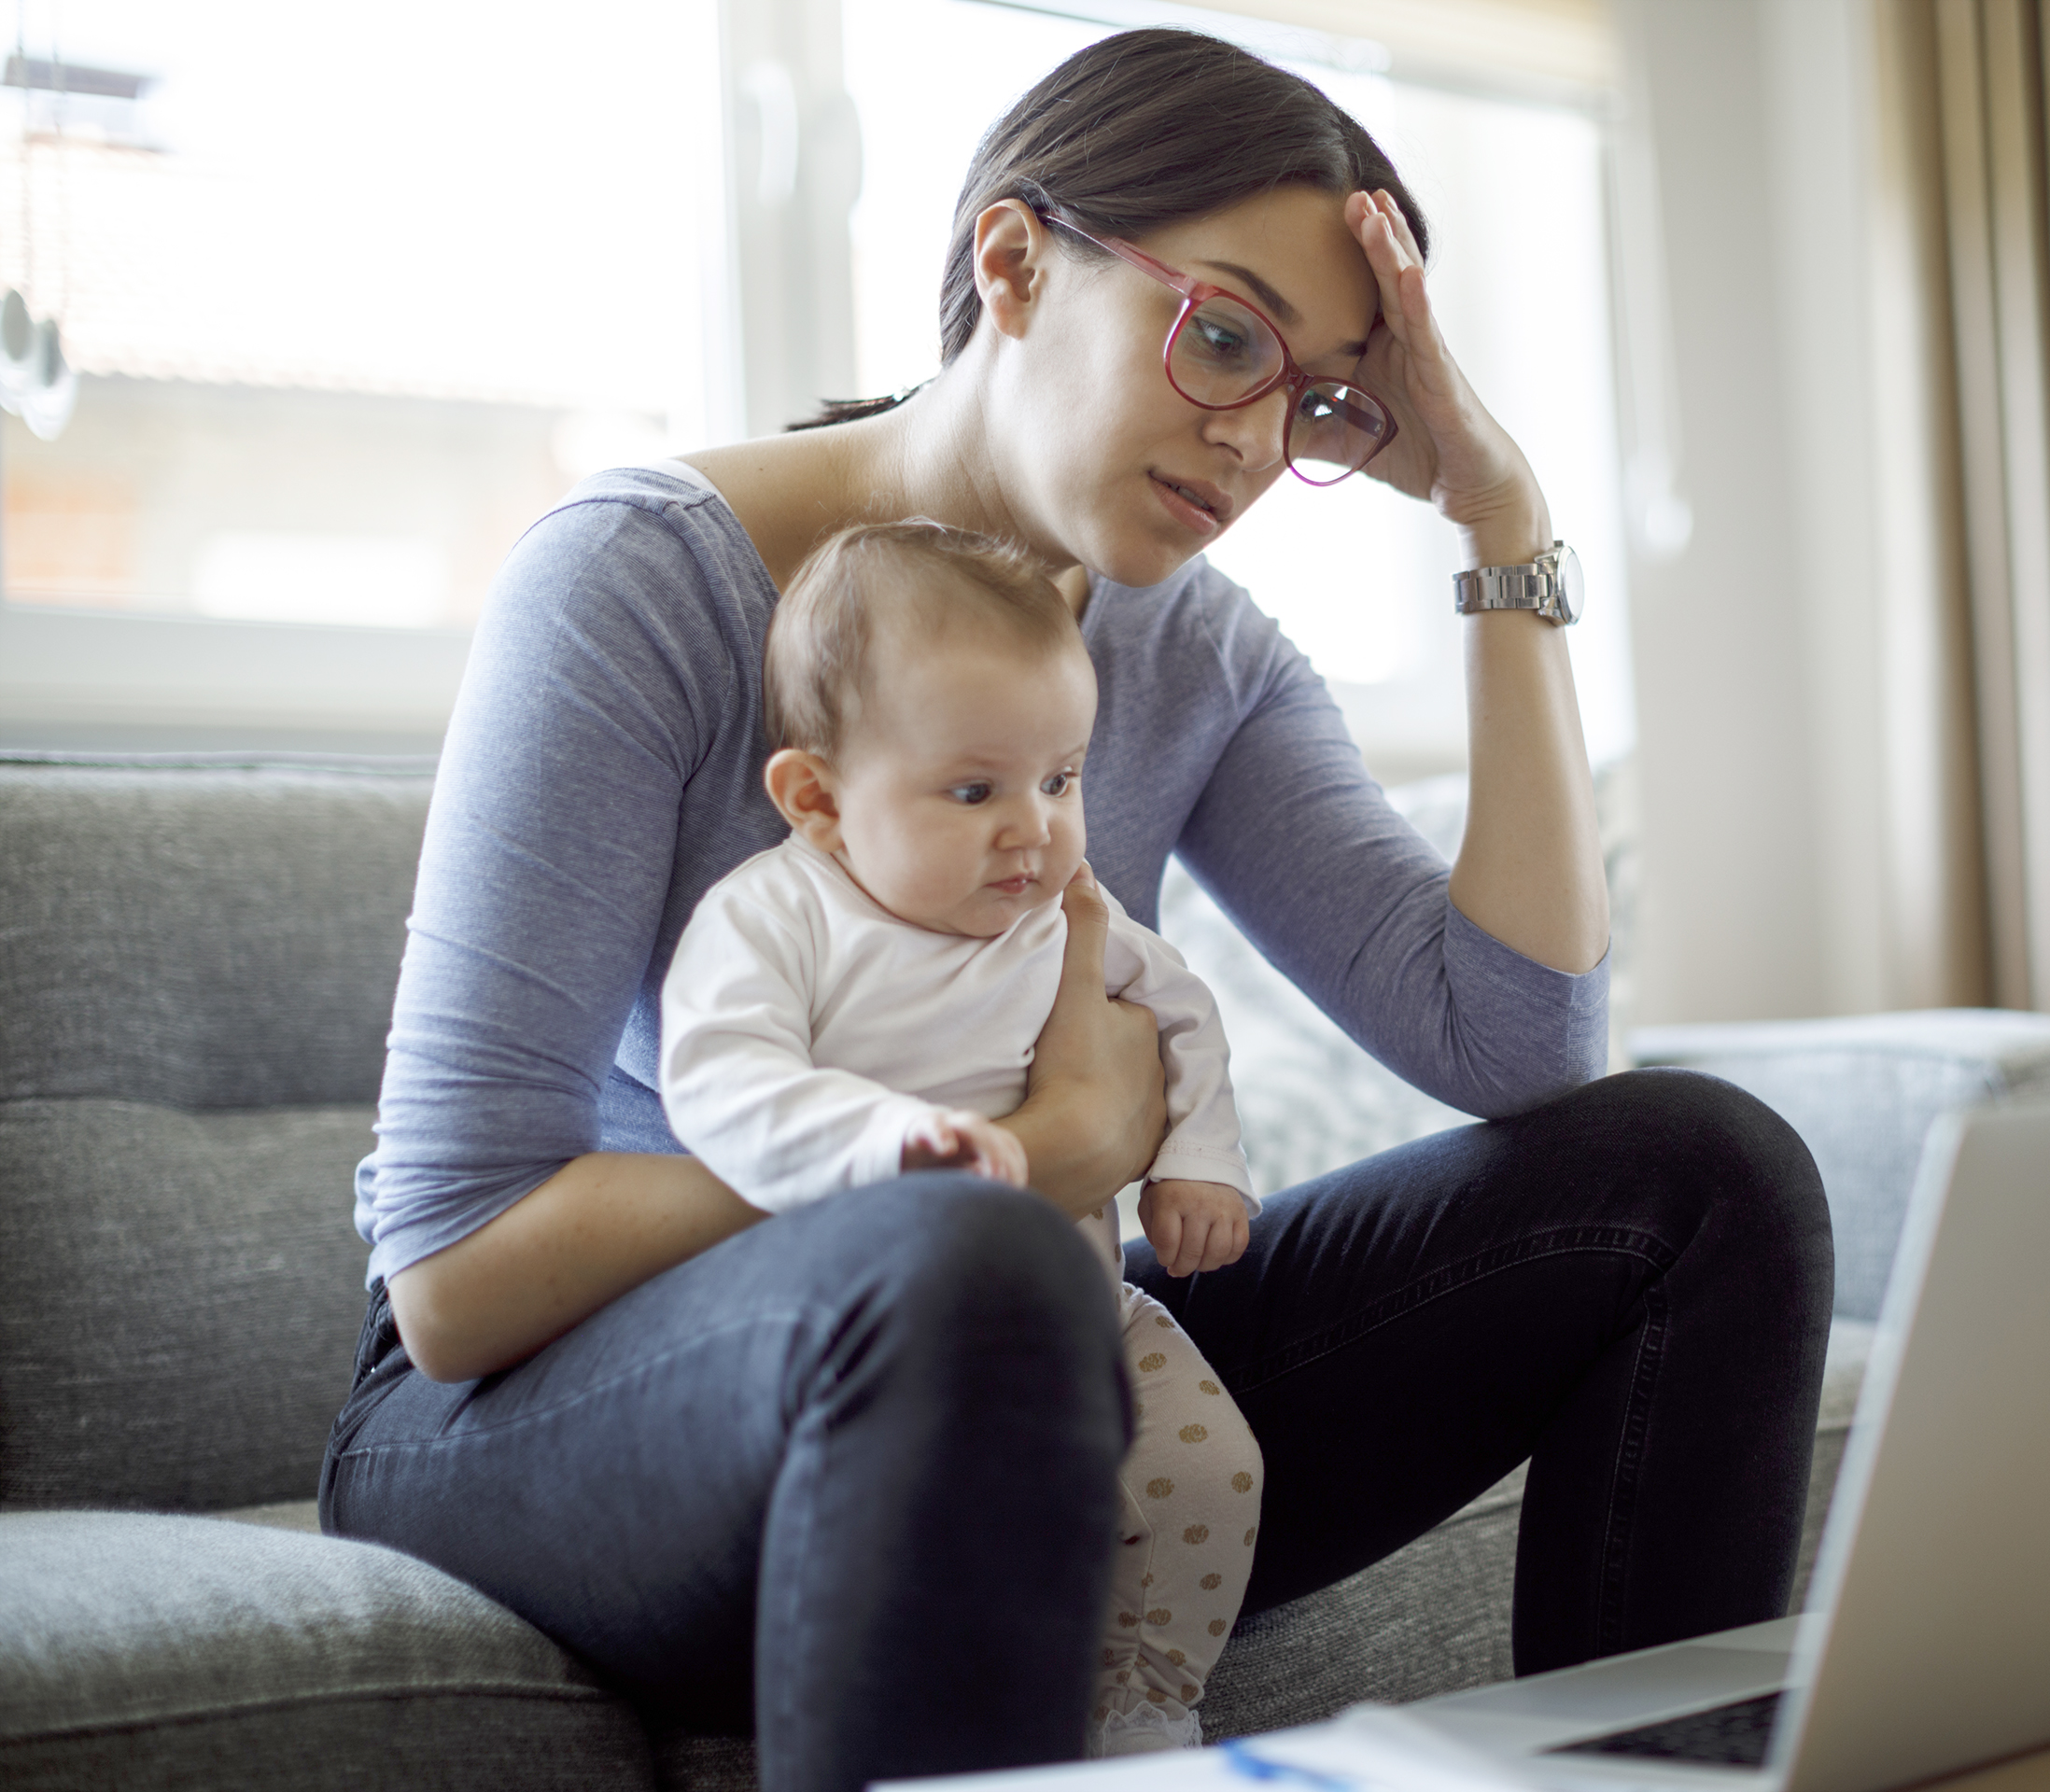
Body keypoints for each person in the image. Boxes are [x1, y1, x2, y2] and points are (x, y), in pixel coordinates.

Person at [322, 25, 1832, 1792]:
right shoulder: (639, 584)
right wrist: (1023, 1150)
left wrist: (1503, 521)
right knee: (962, 1261)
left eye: (1324, 395)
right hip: (536, 1412)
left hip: (1036, 1349)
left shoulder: (1196, 651)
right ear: (1016, 263)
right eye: (1224, 337)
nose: (1259, 437)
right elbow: (452, 1279)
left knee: (1695, 1175)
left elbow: (1517, 1046)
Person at [656, 519, 1263, 1756]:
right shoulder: (779, 917)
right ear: (819, 800)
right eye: (975, 791)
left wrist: (1200, 1155)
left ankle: (1147, 1706)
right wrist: (886, 1144)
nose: (1032, 831)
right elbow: (720, 1080)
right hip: (897, 1344)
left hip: (1098, 1305)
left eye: (1062, 779)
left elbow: (1182, 1011)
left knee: (1212, 1469)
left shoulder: (1064, 913)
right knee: (988, 1518)